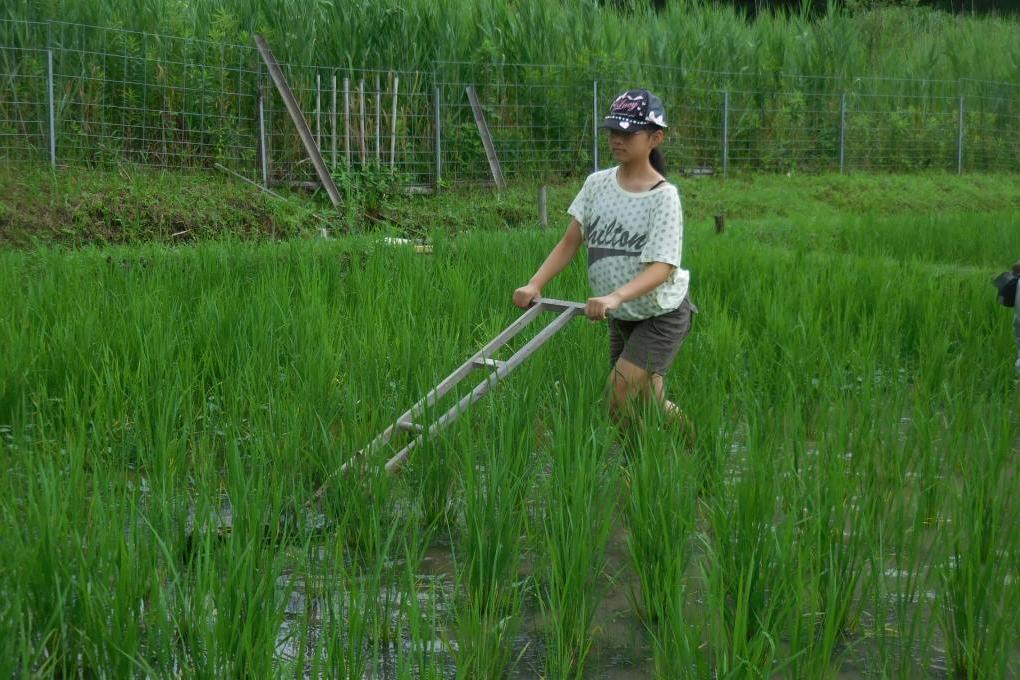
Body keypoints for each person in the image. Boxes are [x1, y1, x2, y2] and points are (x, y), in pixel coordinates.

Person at [512, 88, 695, 446]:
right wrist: (535, 284)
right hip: (623, 312)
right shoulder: (597, 185)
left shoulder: (663, 197)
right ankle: (688, 447)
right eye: (613, 131)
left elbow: (662, 267)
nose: (617, 139)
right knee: (649, 402)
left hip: (661, 313)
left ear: (655, 138)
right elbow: (569, 242)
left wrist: (613, 297)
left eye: (628, 133)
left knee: (618, 398)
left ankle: (640, 464)